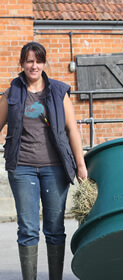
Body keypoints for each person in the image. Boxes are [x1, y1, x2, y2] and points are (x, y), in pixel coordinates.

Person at [0, 42, 88, 280]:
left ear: (44, 63)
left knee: (55, 228)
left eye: (38, 61)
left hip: (55, 169)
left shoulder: (59, 91)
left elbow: (72, 130)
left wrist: (80, 164)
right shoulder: (11, 93)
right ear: (22, 64)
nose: (34, 65)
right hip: (22, 168)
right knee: (27, 229)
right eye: (29, 61)